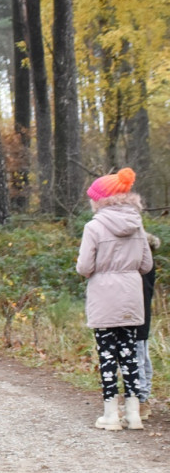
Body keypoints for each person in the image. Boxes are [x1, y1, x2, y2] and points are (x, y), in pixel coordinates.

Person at [76, 167, 153, 431]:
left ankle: (111, 415)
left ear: (101, 199)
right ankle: (133, 414)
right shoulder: (137, 225)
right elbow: (146, 264)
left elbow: (84, 266)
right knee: (130, 354)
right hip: (131, 297)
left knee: (107, 355)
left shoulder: (94, 226)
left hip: (103, 297)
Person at [134, 233, 161, 419]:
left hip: (137, 318)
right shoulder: (147, 266)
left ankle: (141, 400)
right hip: (141, 319)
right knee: (142, 354)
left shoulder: (143, 269)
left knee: (139, 356)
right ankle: (143, 397)